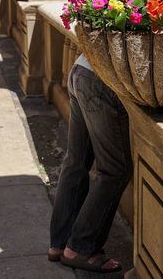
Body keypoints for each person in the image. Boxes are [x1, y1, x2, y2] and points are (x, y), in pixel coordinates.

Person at [48, 54, 133, 273]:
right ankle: (80, 248)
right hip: (102, 80)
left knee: (75, 162)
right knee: (115, 171)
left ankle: (59, 244)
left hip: (81, 68)